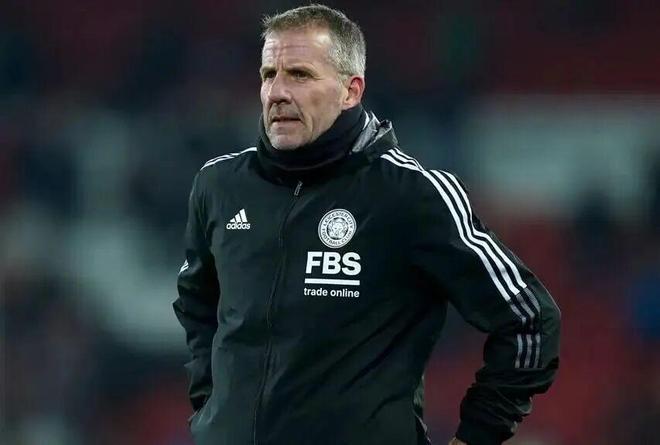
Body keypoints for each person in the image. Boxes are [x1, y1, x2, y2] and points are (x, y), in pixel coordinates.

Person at [173, 4, 560, 445]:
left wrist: (478, 434)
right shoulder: (220, 185)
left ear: (350, 91)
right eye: (268, 75)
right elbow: (196, 305)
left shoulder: (411, 194)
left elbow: (530, 320)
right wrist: (212, 411)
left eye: (299, 75)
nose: (277, 92)